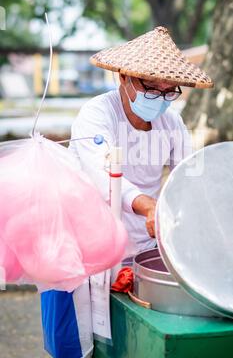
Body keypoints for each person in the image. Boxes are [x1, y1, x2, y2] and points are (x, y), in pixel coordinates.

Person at [69, 26, 213, 262]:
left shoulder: (171, 121)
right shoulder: (97, 114)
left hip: (147, 246)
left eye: (169, 90)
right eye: (151, 86)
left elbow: (189, 174)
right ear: (124, 76)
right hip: (93, 245)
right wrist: (147, 206)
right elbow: (103, 174)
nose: (160, 96)